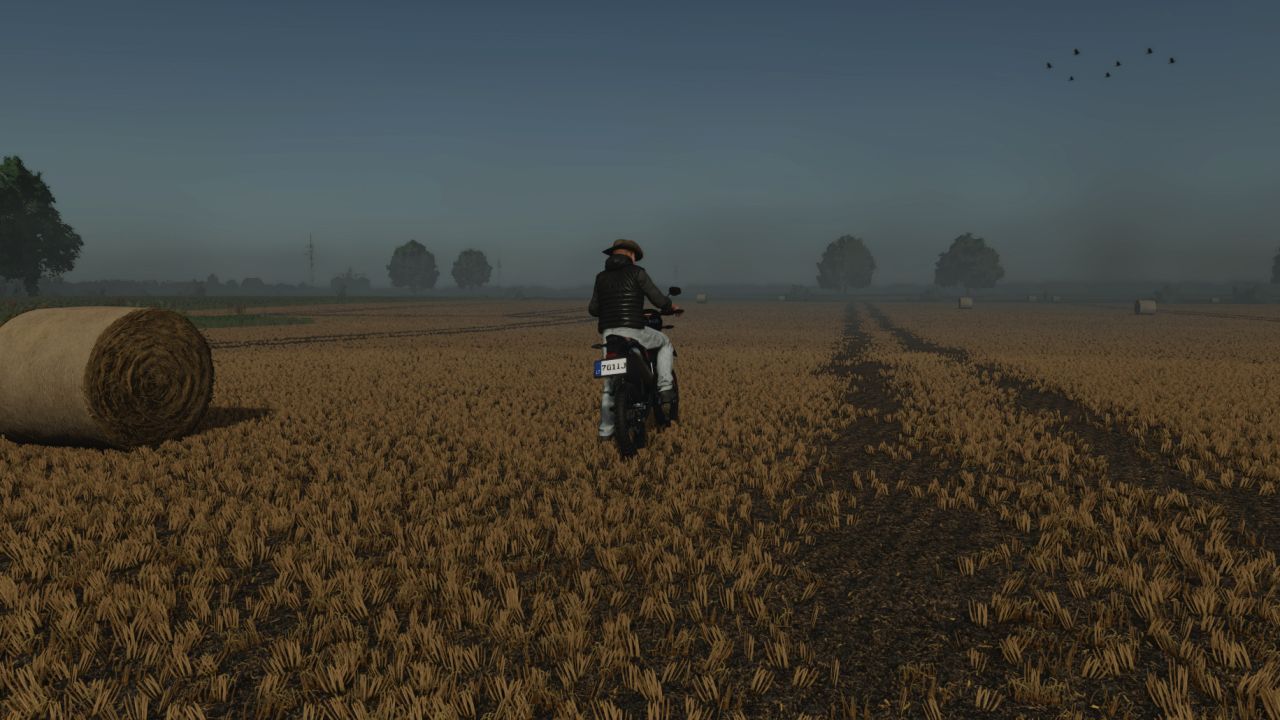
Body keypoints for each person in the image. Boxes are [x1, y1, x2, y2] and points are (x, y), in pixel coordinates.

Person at [589, 239, 681, 440]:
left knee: (609, 386)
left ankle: (605, 431)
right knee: (665, 342)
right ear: (631, 255)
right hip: (634, 330)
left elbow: (593, 309)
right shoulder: (637, 272)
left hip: (609, 335)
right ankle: (665, 387)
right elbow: (657, 298)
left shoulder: (600, 277)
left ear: (613, 255)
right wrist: (670, 307)